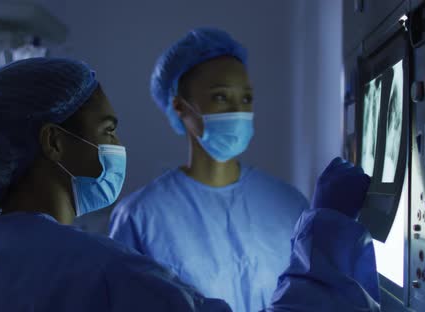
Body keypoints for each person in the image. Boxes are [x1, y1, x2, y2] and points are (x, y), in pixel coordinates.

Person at [0, 58, 379, 312]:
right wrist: (329, 231)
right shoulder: (106, 277)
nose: (118, 144)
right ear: (53, 142)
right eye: (107, 131)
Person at [109, 27, 309, 312]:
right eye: (220, 97)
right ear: (180, 107)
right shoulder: (141, 216)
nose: (238, 110)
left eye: (246, 98)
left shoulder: (289, 204)